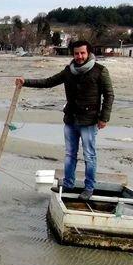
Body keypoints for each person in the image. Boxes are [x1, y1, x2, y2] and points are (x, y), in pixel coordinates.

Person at [16, 40, 114, 200]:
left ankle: (89, 188)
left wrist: (104, 118)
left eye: (82, 53)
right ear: (73, 54)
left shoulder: (100, 71)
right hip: (71, 120)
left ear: (88, 53)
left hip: (89, 121)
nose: (80, 56)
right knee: (70, 154)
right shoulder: (69, 71)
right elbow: (48, 82)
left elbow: (109, 95)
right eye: (76, 53)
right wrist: (26, 82)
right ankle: (68, 184)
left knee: (89, 155)